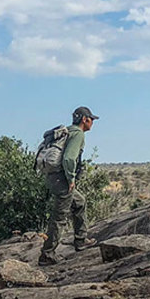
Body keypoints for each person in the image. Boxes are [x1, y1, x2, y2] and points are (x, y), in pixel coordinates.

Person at [38, 107, 98, 266]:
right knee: (60, 216)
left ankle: (80, 240)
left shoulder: (67, 131)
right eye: (91, 119)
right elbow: (69, 159)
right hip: (62, 180)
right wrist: (71, 179)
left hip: (53, 177)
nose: (92, 123)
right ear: (85, 119)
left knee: (80, 202)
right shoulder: (78, 134)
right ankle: (47, 254)